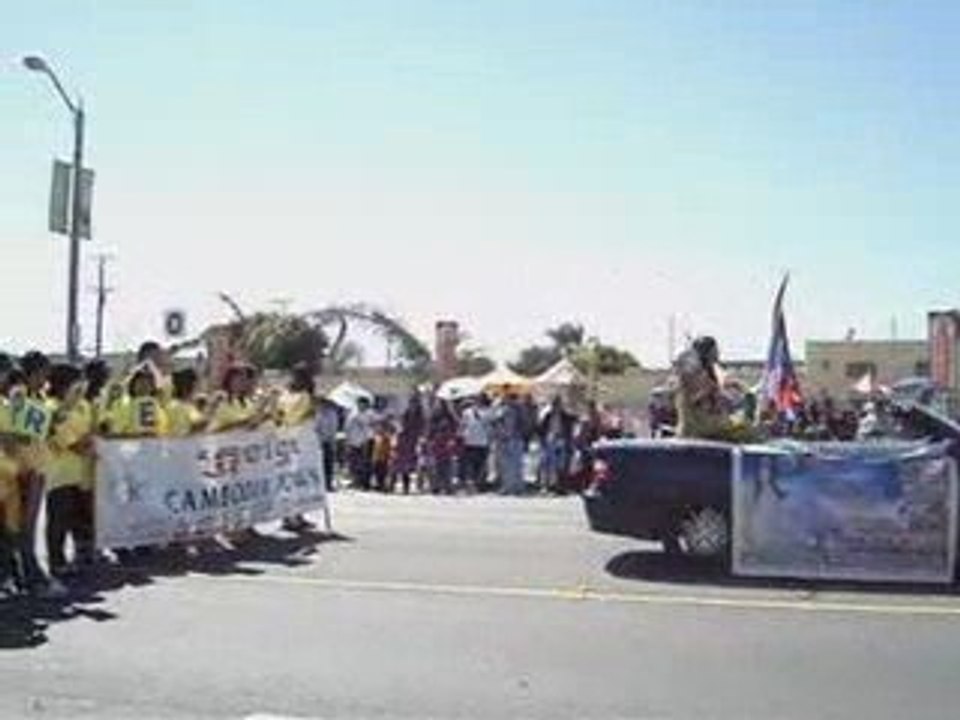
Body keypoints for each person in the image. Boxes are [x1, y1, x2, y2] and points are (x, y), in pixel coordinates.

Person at [8, 351, 57, 594]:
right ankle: (31, 575)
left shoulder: (41, 397)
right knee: (22, 528)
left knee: (27, 526)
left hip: (38, 468)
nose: (46, 377)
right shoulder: (17, 396)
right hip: (22, 470)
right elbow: (9, 432)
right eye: (42, 373)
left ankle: (26, 574)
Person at [45, 363, 95, 581]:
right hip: (59, 475)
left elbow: (92, 432)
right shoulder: (52, 409)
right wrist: (87, 442)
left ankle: (82, 554)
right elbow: (72, 444)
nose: (82, 387)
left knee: (81, 517)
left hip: (83, 473)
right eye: (77, 382)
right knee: (59, 519)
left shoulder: (84, 406)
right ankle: (57, 562)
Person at [674, 337, 754, 442]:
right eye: (714, 350)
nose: (717, 353)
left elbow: (719, 402)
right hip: (697, 430)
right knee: (746, 429)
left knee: (746, 426)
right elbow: (694, 401)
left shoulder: (712, 374)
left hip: (711, 426)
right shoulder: (693, 375)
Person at [537, 396, 577, 494]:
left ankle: (558, 486)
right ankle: (545, 486)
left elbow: (574, 420)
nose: (557, 406)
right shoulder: (548, 415)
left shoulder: (565, 416)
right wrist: (542, 439)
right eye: (555, 404)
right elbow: (540, 428)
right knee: (547, 464)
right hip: (549, 440)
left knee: (560, 465)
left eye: (558, 404)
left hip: (561, 440)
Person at [492, 393, 526, 495]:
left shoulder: (511, 410)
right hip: (512, 439)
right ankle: (514, 487)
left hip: (512, 439)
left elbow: (497, 421)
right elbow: (496, 421)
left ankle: (511, 487)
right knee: (513, 465)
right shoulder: (517, 410)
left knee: (511, 465)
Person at [393, 390, 425, 495]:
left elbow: (422, 429)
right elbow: (401, 426)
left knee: (419, 464)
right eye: (412, 403)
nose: (413, 405)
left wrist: (421, 437)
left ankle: (420, 485)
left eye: (414, 403)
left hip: (414, 441)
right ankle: (404, 486)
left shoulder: (420, 416)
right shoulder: (406, 414)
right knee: (402, 465)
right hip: (405, 442)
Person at [459, 395, 492, 493]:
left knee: (475, 464)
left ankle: (475, 484)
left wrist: (461, 434)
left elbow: (462, 425)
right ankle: (476, 484)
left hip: (474, 440)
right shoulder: (488, 412)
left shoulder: (468, 412)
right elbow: (463, 425)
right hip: (478, 441)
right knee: (477, 464)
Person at [426, 400, 459, 494]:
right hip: (436, 443)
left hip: (446, 443)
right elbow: (429, 430)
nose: (439, 407)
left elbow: (455, 427)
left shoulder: (450, 417)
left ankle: (447, 486)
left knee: (447, 465)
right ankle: (435, 486)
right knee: (435, 465)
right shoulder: (433, 418)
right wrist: (429, 439)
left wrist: (452, 439)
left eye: (441, 405)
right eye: (438, 405)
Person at [344, 397, 376, 490]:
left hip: (366, 441)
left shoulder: (370, 414)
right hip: (353, 441)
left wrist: (364, 423)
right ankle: (356, 481)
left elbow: (373, 425)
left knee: (366, 463)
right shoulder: (352, 413)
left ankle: (365, 483)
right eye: (359, 403)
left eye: (363, 403)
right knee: (354, 463)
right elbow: (347, 427)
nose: (360, 405)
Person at [314, 397, 341, 492]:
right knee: (320, 464)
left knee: (328, 464)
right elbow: (315, 428)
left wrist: (331, 441)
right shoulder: (318, 414)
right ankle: (321, 484)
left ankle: (328, 484)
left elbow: (333, 429)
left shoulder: (332, 414)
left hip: (329, 442)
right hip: (319, 442)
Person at [371, 418, 395, 493]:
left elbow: (390, 447)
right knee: (377, 472)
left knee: (383, 472)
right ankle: (379, 485)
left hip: (384, 458)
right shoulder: (377, 436)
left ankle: (383, 486)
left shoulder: (387, 437)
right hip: (377, 457)